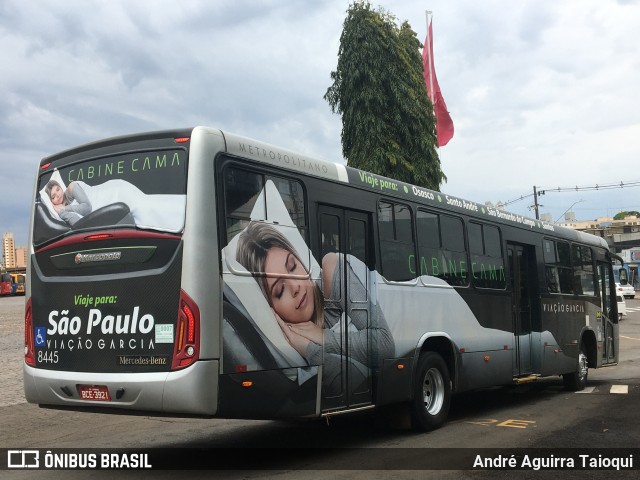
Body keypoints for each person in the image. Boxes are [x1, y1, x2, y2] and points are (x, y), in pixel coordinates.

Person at [235, 221, 395, 394]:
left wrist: (322, 338)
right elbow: (352, 383)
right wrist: (311, 350)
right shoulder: (292, 345)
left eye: (292, 267)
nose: (295, 287)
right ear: (269, 306)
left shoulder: (331, 272)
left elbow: (385, 346)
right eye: (280, 290)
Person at [44, 178, 185, 231]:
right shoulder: (68, 210)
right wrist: (62, 213)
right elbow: (80, 225)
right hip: (113, 203)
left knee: (147, 208)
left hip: (115, 193)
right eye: (53, 196)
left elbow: (87, 208)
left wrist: (65, 208)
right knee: (148, 211)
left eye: (57, 189)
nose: (58, 194)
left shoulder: (71, 187)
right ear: (51, 202)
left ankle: (185, 212)